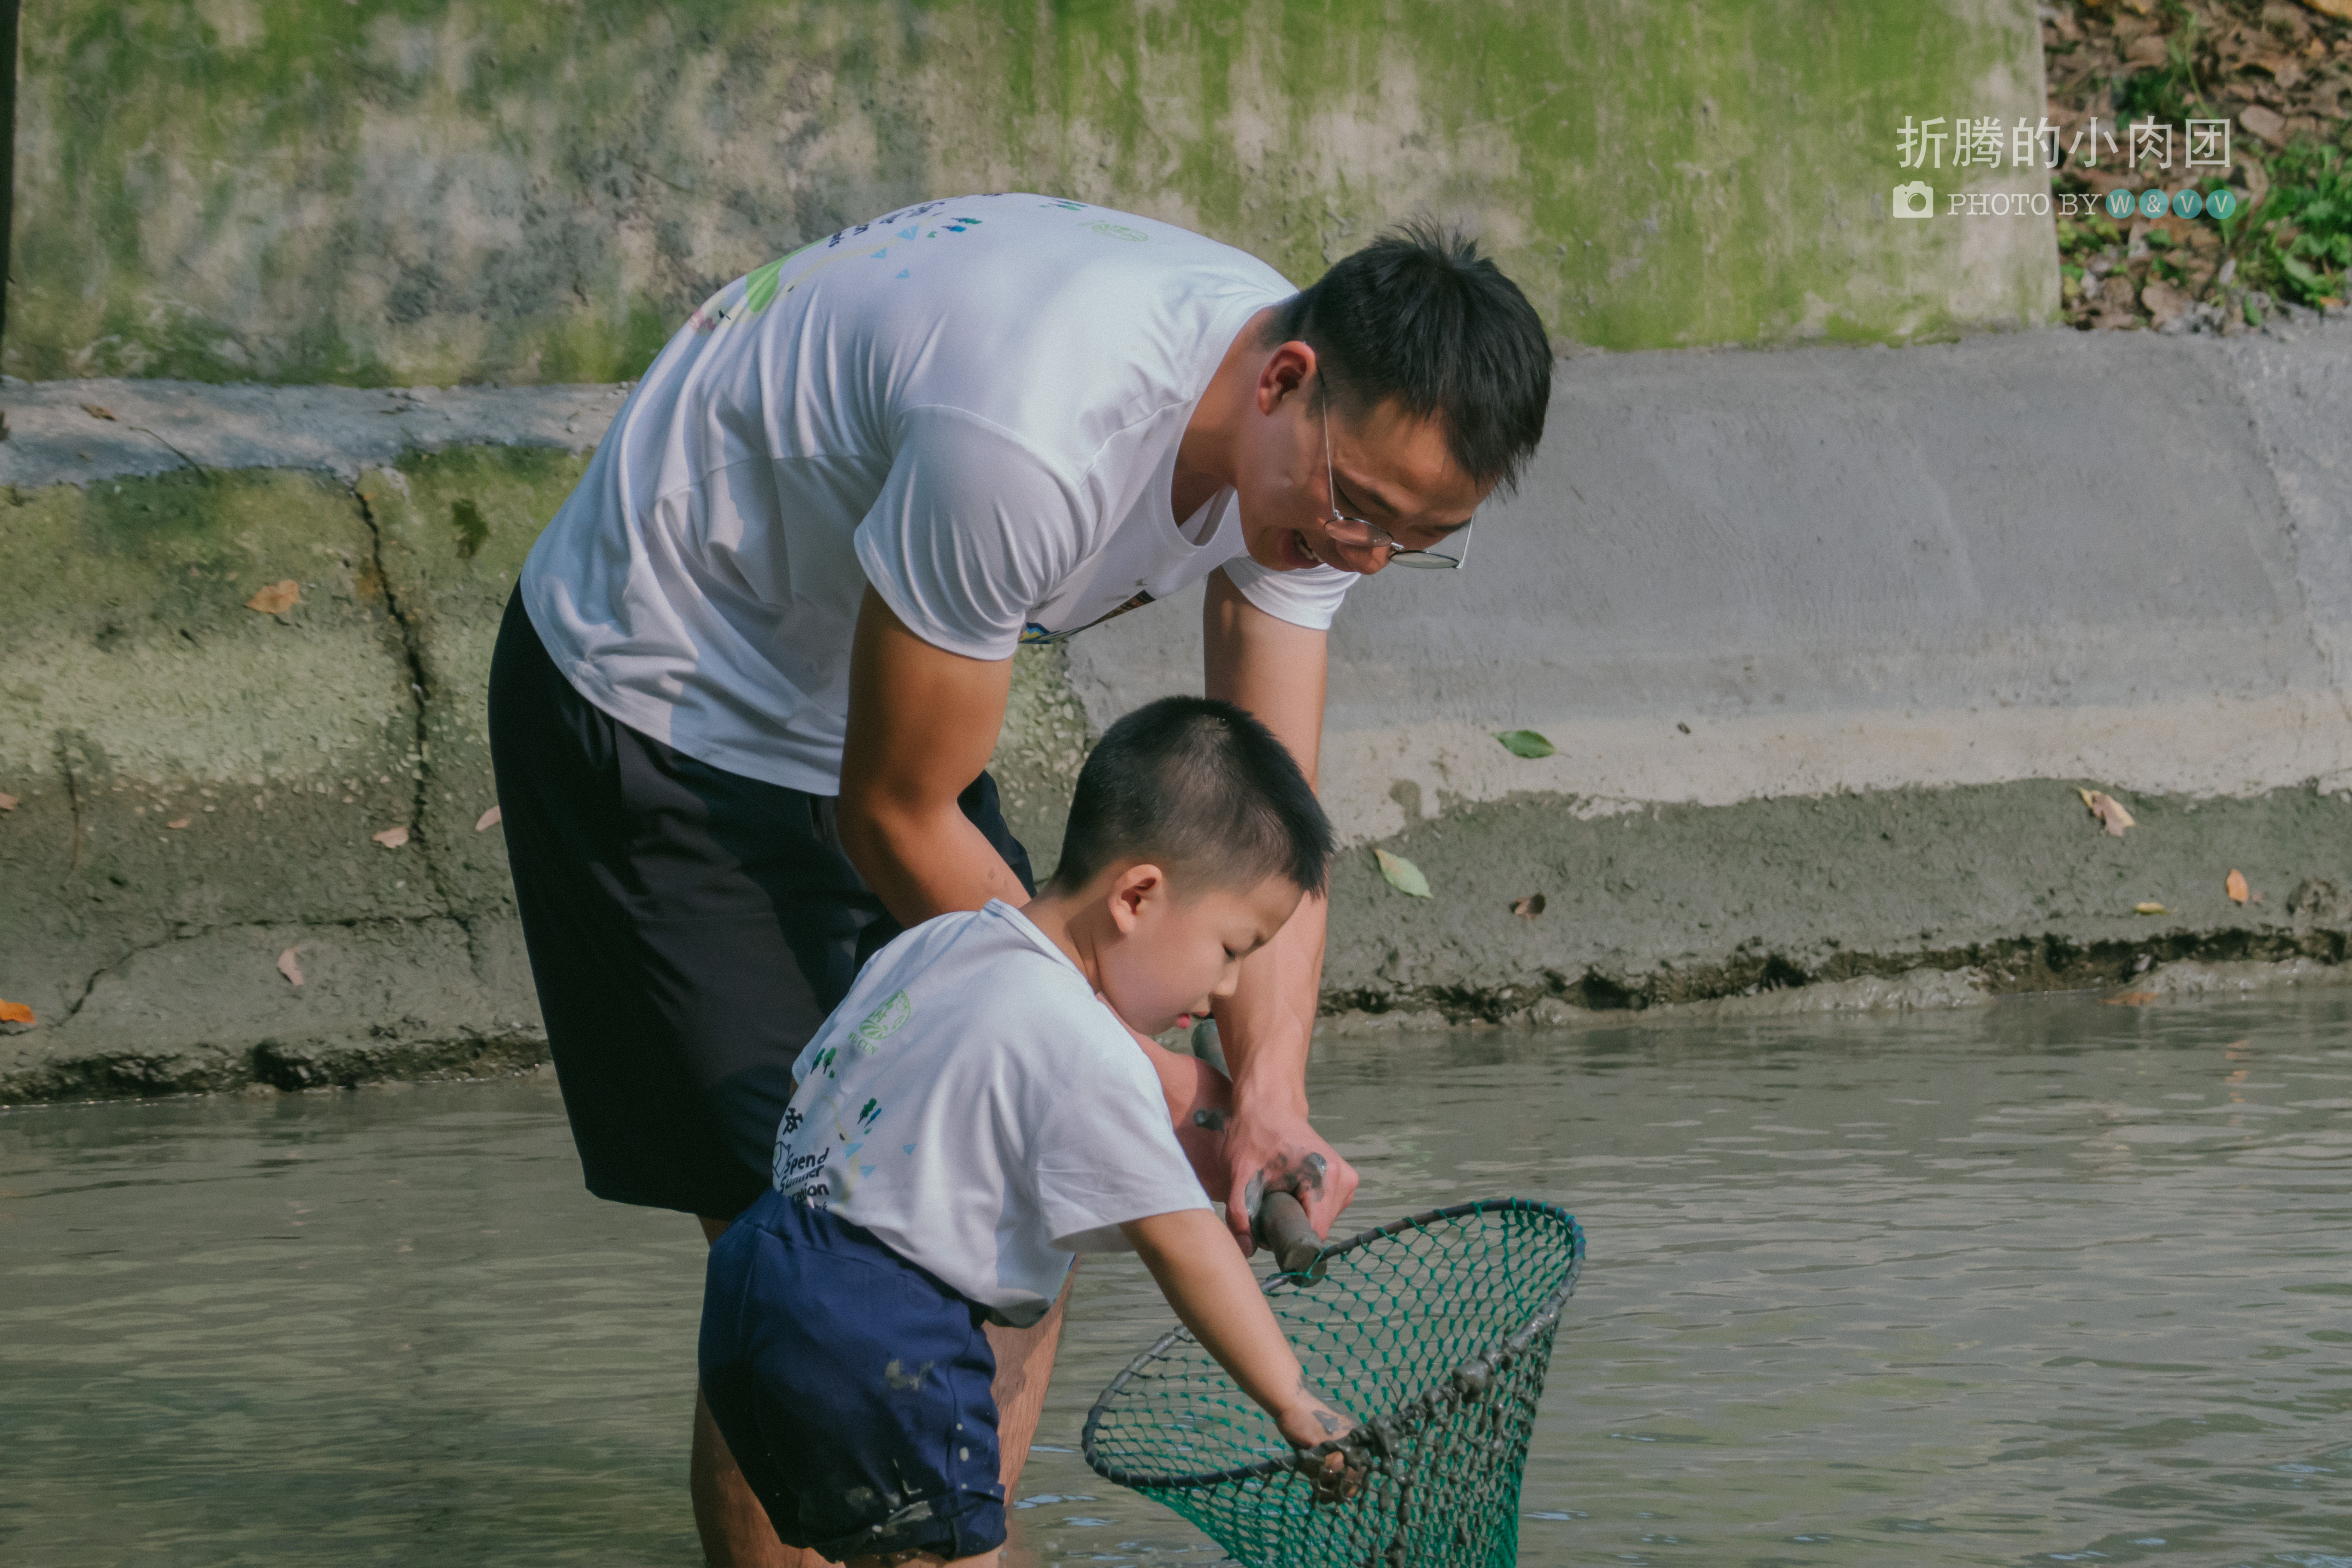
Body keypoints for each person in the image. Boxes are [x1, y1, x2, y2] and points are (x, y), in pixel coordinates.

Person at [486, 190, 1552, 1565]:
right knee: (816, 1256)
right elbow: (894, 808)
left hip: (875, 682)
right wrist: (1151, 1081)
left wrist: (1268, 1098)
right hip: (667, 687)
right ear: (1285, 381)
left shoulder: (1333, 460)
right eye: (1358, 513)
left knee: (1000, 1225)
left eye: (1411, 540)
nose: (1363, 555)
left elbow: (1267, 845)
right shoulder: (1040, 440)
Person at [698, 697, 1362, 1566]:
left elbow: (809, 1082)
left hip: (753, 1286)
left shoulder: (936, 943)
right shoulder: (1084, 1044)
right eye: (1232, 948)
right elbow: (1186, 1247)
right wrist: (1293, 1404)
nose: (1226, 992)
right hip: (885, 1331)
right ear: (1137, 896)